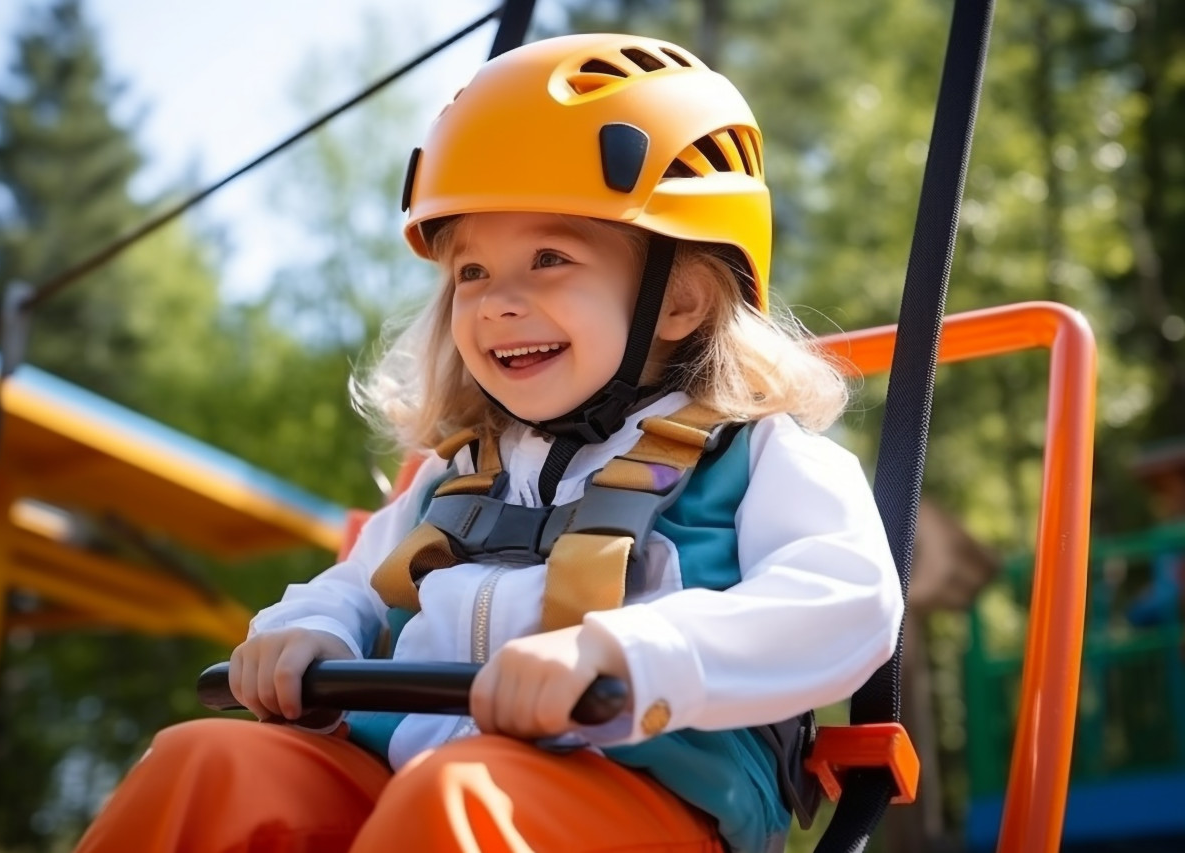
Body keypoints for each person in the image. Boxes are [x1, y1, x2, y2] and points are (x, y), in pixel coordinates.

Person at [74, 33, 903, 853]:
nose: (496, 302)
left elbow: (848, 602)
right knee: (208, 763)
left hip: (647, 799)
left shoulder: (754, 461)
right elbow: (354, 587)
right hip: (412, 784)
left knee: (457, 798)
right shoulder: (457, 476)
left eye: (548, 258)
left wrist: (634, 654)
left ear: (680, 299)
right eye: (471, 272)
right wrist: (308, 632)